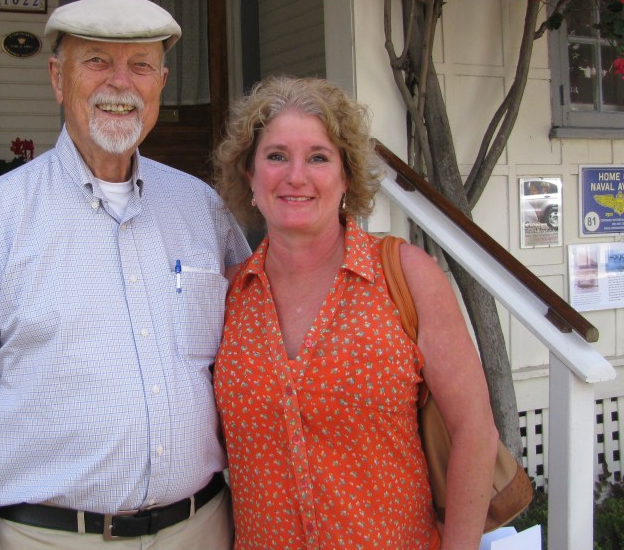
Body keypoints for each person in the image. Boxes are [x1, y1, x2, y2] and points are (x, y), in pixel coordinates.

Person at [0, 0, 251, 550]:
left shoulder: (201, 209)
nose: (120, 84)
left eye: (139, 65)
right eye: (96, 62)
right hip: (52, 538)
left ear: (160, 81)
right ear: (58, 79)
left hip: (201, 528)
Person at [212, 76, 498, 550]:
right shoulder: (227, 297)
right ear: (250, 173)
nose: (296, 176)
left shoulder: (405, 276)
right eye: (276, 155)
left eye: (319, 157)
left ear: (346, 175)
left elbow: (474, 430)